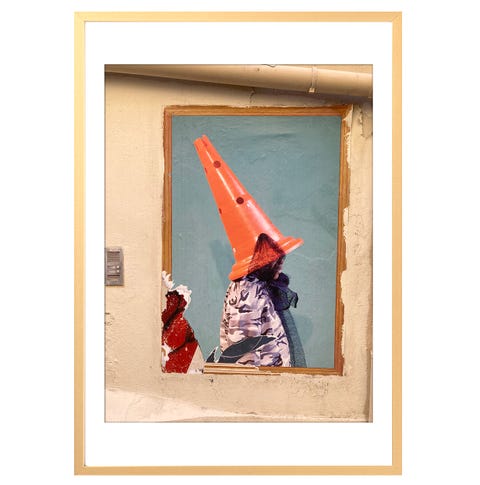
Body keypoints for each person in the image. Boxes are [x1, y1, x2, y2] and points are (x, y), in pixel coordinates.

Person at [219, 233, 306, 367]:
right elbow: (244, 362)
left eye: (281, 257)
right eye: (274, 258)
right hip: (265, 378)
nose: (281, 264)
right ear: (260, 260)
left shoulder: (257, 286)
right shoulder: (248, 296)